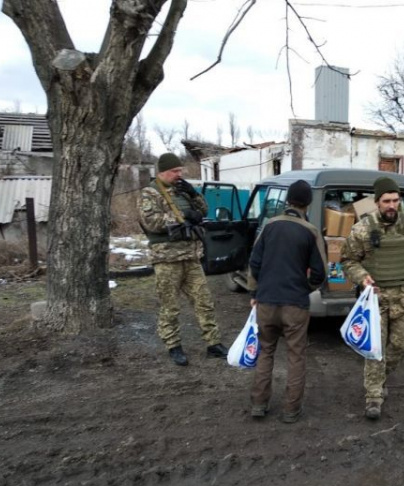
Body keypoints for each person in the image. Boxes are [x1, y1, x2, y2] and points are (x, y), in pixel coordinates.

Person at [341, 177, 404, 420]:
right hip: (376, 300)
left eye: (395, 200)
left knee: (401, 346)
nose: (392, 205)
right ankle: (373, 396)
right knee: (376, 350)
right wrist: (362, 277)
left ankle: (380, 379)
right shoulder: (363, 229)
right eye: (387, 201)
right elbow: (348, 260)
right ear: (377, 202)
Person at [138, 152, 229, 366]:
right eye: (175, 171)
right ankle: (174, 345)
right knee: (170, 305)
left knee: (204, 301)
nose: (179, 175)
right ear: (162, 172)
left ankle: (213, 343)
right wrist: (182, 216)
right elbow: (151, 222)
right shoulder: (149, 193)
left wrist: (194, 194)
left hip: (190, 256)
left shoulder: (182, 190)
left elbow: (204, 210)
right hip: (167, 258)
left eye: (180, 171)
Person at [248, 180, 327, 423]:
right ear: (308, 203)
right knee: (295, 356)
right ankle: (291, 410)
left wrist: (255, 293)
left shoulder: (269, 226)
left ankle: (259, 405)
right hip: (295, 305)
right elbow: (320, 273)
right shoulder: (310, 231)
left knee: (265, 352)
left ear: (287, 200)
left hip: (267, 303)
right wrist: (305, 288)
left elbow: (254, 263)